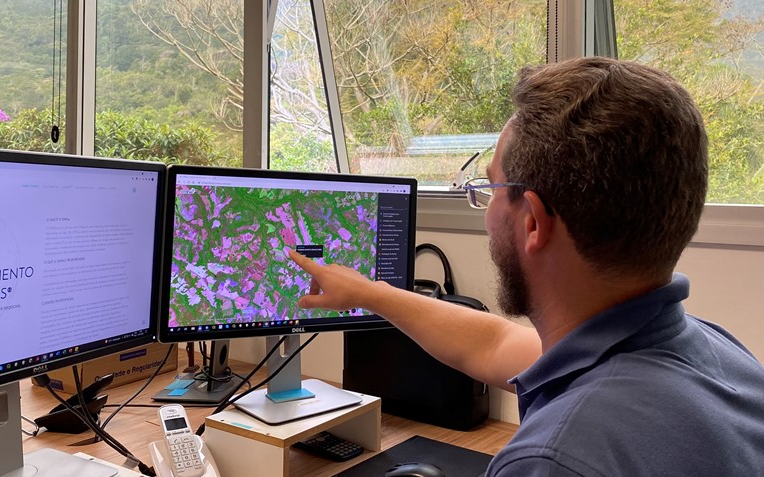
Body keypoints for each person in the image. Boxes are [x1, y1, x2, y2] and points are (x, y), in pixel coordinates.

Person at [288, 57, 764, 476]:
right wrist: (369, 293)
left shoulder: (554, 459)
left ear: (533, 221)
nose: (487, 209)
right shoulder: (717, 354)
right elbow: (494, 343)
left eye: (491, 189)